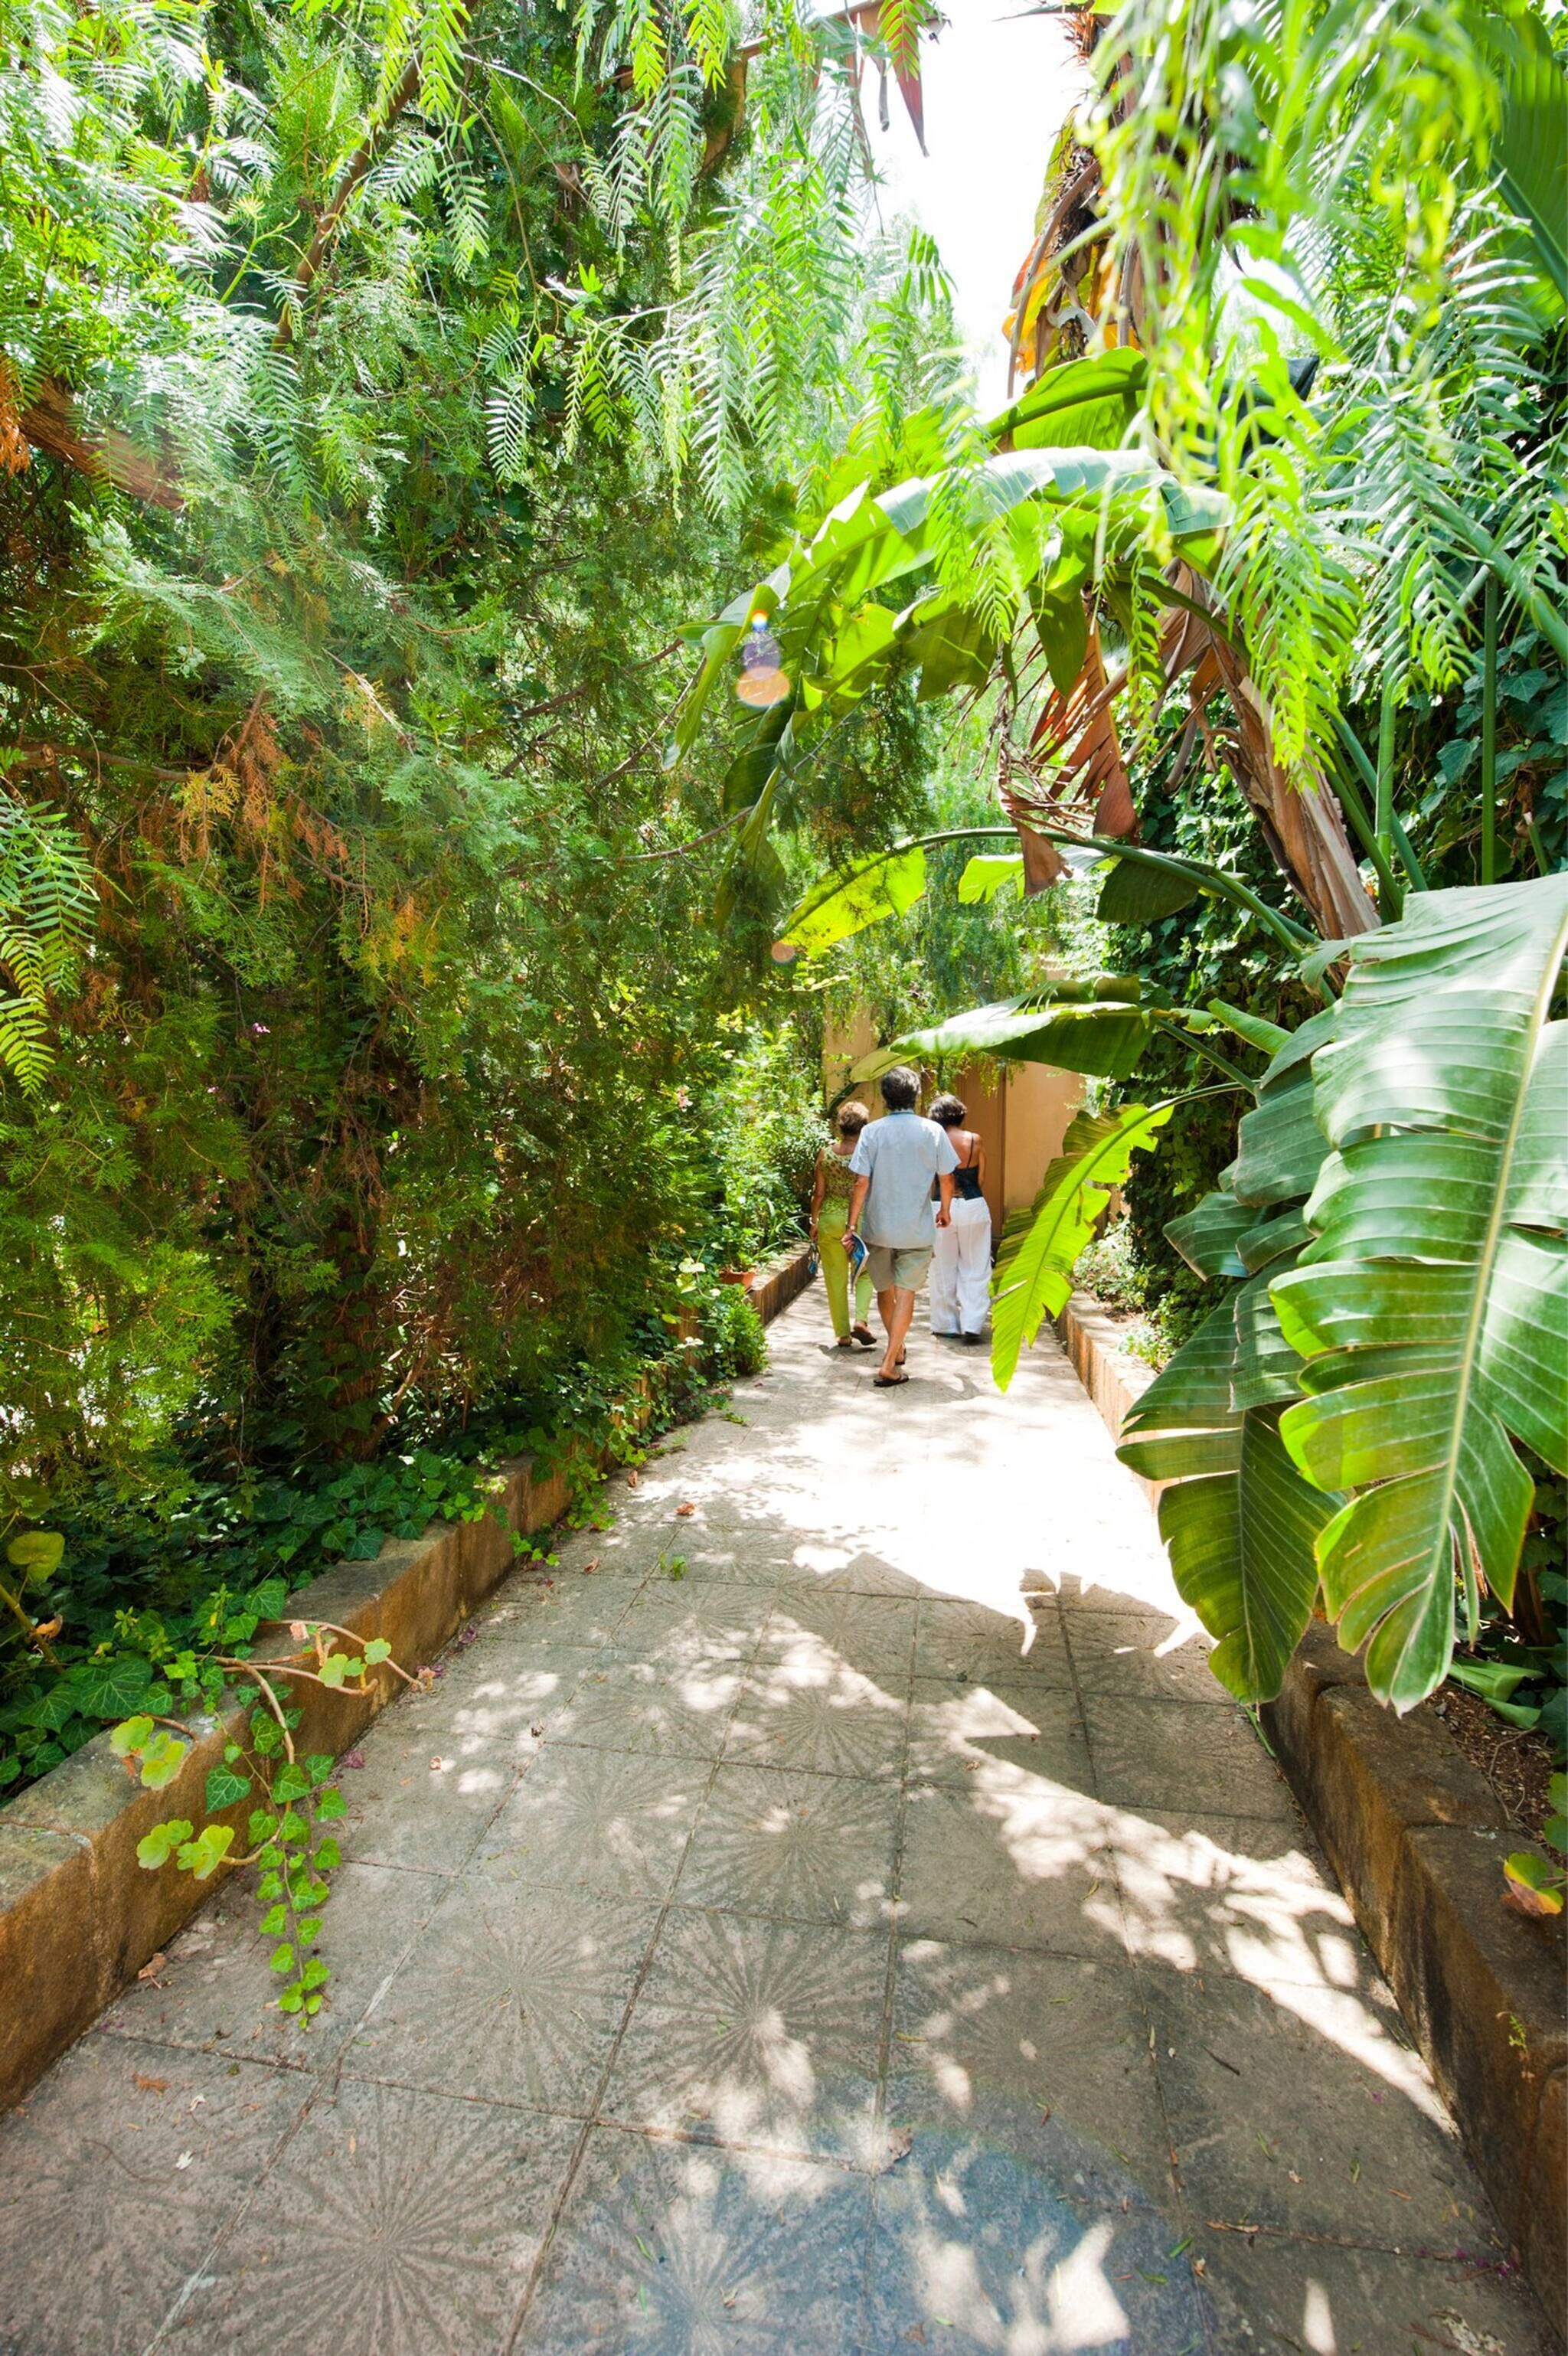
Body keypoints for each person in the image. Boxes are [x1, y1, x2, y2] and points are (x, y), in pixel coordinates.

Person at [844, 1066, 957, 1387]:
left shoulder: (872, 1132)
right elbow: (947, 1177)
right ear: (916, 1095)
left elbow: (861, 1182)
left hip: (878, 1228)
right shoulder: (932, 1131)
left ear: (885, 1097)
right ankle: (890, 1361)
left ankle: (896, 1351)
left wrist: (851, 1226)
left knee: (884, 1289)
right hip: (916, 1230)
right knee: (906, 1293)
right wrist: (945, 1210)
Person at [809, 1101, 877, 1349]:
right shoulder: (867, 1152)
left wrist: (814, 1221)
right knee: (866, 1272)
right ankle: (860, 1319)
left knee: (835, 1277)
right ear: (864, 1126)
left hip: (829, 1219)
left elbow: (818, 1193)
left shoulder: (826, 1154)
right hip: (860, 1220)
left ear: (841, 1125)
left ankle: (843, 1334)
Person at [927, 1094, 991, 1343]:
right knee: (976, 1265)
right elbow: (981, 1179)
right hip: (973, 1205)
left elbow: (929, 1179)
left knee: (942, 1267)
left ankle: (946, 1324)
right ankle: (973, 1323)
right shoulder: (975, 1140)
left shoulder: (933, 1141)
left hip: (940, 1207)